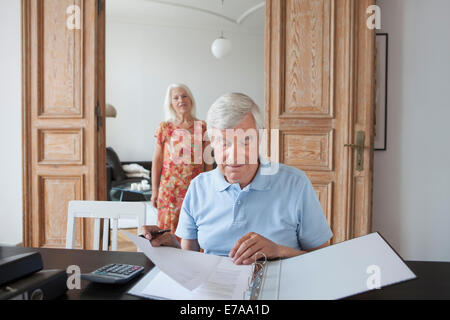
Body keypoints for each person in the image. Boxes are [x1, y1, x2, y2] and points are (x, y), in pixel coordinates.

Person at [144, 93, 333, 265]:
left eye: (245, 141)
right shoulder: (198, 187)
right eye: (223, 142)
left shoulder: (296, 184)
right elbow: (190, 260)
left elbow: (324, 260)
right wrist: (169, 248)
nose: (234, 154)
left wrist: (279, 251)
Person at [151, 84, 213, 240]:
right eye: (176, 97)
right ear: (171, 103)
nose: (181, 100)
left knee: (194, 229)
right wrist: (154, 190)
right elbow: (157, 160)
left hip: (195, 188)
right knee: (167, 232)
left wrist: (209, 188)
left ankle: (193, 262)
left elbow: (208, 161)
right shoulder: (165, 127)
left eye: (184, 96)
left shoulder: (202, 126)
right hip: (169, 190)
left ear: (190, 100)